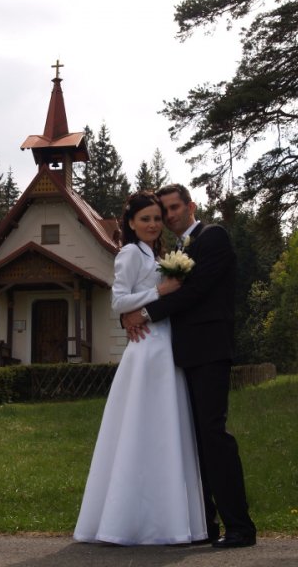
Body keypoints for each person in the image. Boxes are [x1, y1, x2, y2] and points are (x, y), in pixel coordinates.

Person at [122, 184, 257, 549]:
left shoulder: (213, 237)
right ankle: (204, 525)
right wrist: (131, 314)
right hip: (182, 355)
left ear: (191, 206)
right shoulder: (176, 251)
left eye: (174, 208)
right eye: (163, 211)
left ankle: (240, 526)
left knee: (213, 435)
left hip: (210, 350)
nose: (169, 216)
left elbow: (195, 292)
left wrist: (143, 314)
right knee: (194, 440)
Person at [74, 191, 207, 546]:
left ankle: (166, 520)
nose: (152, 224)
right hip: (147, 348)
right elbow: (118, 300)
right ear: (131, 223)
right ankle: (125, 521)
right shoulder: (131, 253)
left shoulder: (156, 254)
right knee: (139, 427)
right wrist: (160, 291)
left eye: (157, 219)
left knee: (163, 431)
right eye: (145, 219)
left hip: (165, 346)